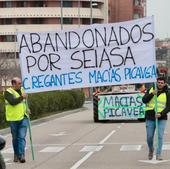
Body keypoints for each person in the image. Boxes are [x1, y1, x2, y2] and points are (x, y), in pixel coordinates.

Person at [142, 77, 170, 160]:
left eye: (162, 83)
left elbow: (168, 106)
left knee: (160, 136)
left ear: (164, 83)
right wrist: (152, 94)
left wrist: (161, 114)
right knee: (149, 137)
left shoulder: (167, 92)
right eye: (159, 82)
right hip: (150, 117)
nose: (160, 84)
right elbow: (144, 100)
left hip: (161, 118)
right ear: (156, 82)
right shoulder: (151, 89)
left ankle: (158, 154)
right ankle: (151, 149)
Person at [3, 77, 29, 163]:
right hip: (13, 119)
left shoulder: (22, 90)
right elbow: (13, 102)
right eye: (19, 83)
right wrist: (22, 97)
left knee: (21, 137)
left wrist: (27, 108)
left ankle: (21, 155)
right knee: (15, 138)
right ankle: (16, 154)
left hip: (23, 117)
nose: (21, 85)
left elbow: (24, 102)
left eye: (21, 83)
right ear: (13, 84)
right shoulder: (7, 92)